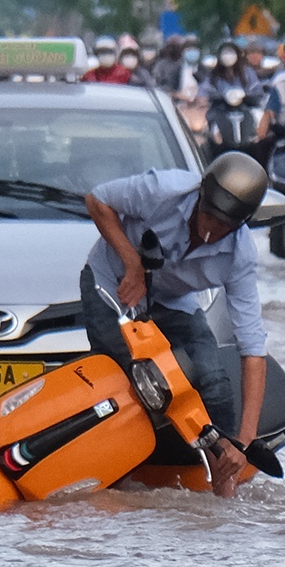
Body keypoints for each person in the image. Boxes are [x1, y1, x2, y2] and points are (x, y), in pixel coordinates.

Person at [80, 154, 271, 497]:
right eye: (208, 215)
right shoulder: (162, 190)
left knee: (213, 381)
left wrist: (244, 441)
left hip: (175, 302)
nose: (211, 230)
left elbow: (253, 348)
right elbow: (97, 200)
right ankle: (113, 474)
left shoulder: (240, 255)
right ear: (199, 197)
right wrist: (132, 263)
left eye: (225, 224)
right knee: (134, 378)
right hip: (113, 285)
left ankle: (224, 483)